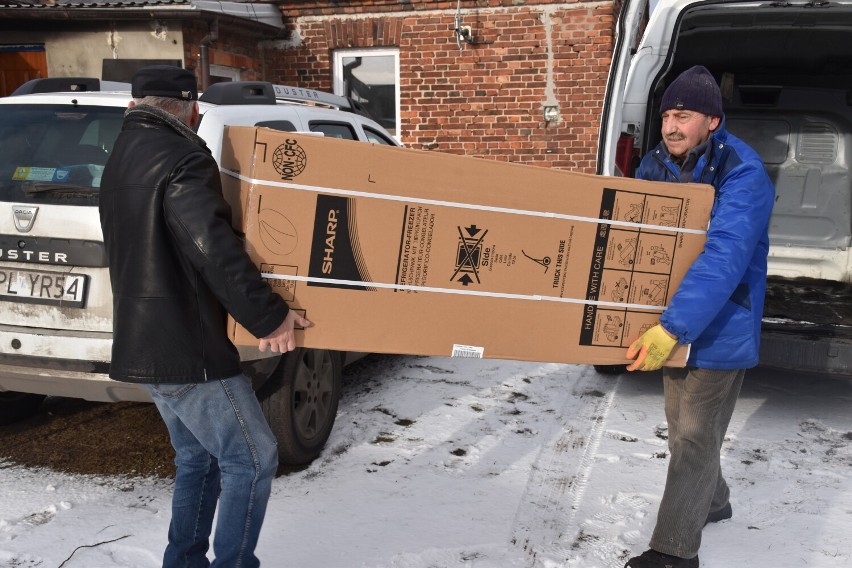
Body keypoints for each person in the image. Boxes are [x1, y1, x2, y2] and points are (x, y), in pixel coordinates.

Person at [99, 65, 311, 567]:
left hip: (142, 342)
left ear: (135, 108)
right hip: (184, 348)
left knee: (198, 457)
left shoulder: (120, 157)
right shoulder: (182, 158)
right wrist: (269, 316)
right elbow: (210, 247)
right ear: (193, 112)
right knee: (254, 457)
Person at [623, 65, 775, 568]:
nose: (670, 126)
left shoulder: (743, 173)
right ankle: (714, 500)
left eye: (682, 115)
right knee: (685, 428)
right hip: (676, 319)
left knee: (691, 436)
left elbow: (724, 259)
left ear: (712, 120)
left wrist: (672, 327)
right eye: (666, 115)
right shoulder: (656, 165)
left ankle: (674, 551)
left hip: (719, 324)